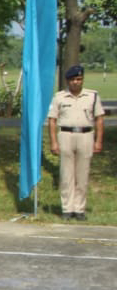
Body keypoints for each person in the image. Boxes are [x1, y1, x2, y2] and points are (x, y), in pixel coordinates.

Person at [48, 64, 105, 220]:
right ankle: (67, 208)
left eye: (79, 79)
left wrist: (98, 141)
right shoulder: (59, 97)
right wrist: (53, 142)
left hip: (86, 135)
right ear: (67, 81)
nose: (76, 82)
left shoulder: (92, 96)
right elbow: (52, 120)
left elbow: (99, 119)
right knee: (66, 174)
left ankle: (79, 209)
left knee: (82, 174)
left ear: (82, 80)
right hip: (66, 135)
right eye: (73, 79)